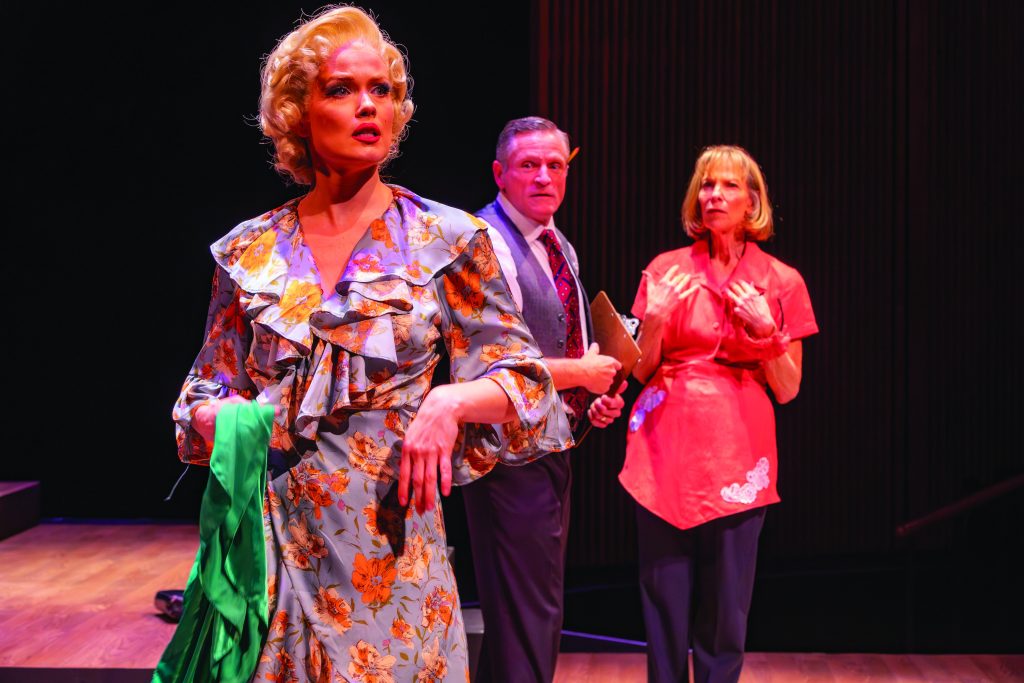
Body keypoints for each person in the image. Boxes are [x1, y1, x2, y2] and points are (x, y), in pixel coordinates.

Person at [171, 8, 572, 681]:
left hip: (395, 569)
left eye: (381, 89)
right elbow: (204, 389)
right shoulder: (250, 251)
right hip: (273, 565)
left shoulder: (446, 240)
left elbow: (525, 381)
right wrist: (218, 418)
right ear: (298, 112)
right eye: (341, 90)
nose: (368, 106)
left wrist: (448, 402)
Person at [620, 145, 818, 683]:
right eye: (707, 185)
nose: (714, 196)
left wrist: (766, 331)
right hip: (664, 445)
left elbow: (789, 388)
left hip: (737, 450)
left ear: (752, 200)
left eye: (729, 186)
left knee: (726, 606)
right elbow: (639, 371)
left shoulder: (782, 281)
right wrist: (655, 320)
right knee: (663, 603)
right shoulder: (666, 270)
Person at [461, 116, 626, 683]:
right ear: (500, 174)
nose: (544, 177)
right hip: (506, 452)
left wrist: (591, 397)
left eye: (555, 165)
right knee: (523, 615)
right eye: (529, 165)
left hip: (552, 446)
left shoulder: (559, 245)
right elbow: (486, 364)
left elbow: (567, 339)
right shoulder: (485, 242)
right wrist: (580, 371)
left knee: (535, 611)